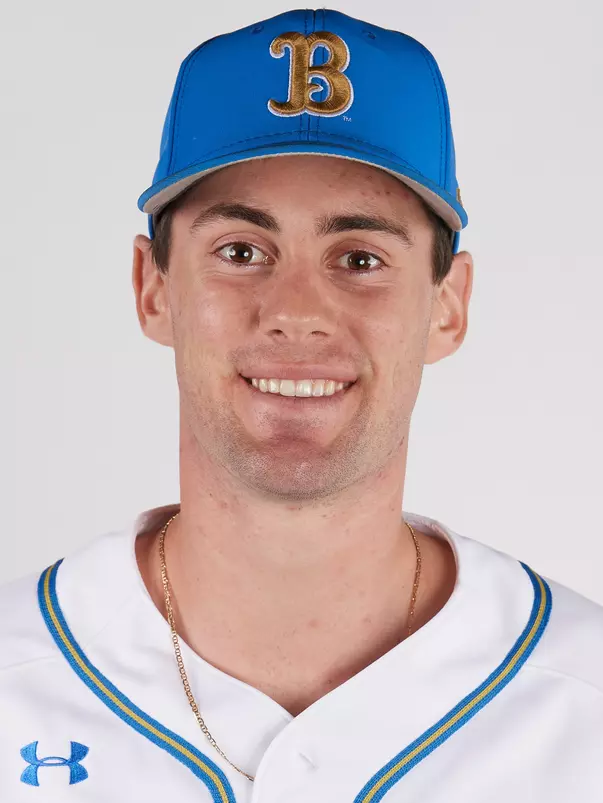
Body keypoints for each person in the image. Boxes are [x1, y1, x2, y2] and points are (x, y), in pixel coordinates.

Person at [1, 7, 602, 801]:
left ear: (448, 306)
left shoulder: (581, 699)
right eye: (241, 251)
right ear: (151, 287)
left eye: (359, 257)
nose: (296, 309)